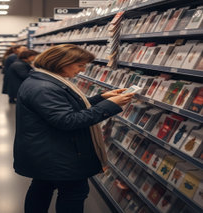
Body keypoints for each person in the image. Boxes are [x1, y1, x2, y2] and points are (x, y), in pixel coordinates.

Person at [13, 44, 135, 213]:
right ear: (62, 63)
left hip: (47, 151)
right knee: (73, 193)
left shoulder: (44, 80)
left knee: (42, 187)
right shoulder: (45, 87)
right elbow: (68, 120)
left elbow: (66, 107)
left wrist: (100, 98)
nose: (82, 70)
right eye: (80, 65)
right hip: (59, 155)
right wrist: (109, 106)